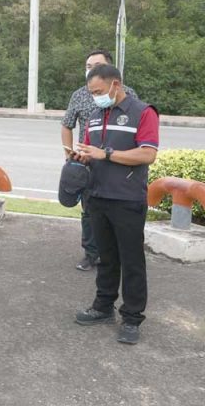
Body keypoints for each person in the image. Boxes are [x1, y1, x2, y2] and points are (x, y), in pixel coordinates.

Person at [73, 64, 159, 345]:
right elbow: (91, 150)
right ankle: (103, 307)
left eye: (99, 91)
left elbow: (147, 154)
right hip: (97, 196)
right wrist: (83, 156)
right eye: (92, 92)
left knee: (132, 261)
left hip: (127, 199)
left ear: (116, 85)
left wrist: (106, 153)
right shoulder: (95, 115)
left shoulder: (143, 112)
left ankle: (132, 318)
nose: (95, 97)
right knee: (106, 258)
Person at [61, 50, 137, 271]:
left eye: (96, 66)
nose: (90, 70)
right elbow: (67, 125)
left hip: (119, 164)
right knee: (89, 212)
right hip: (89, 164)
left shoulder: (127, 94)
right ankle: (91, 253)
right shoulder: (79, 95)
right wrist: (69, 156)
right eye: (88, 66)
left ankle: (118, 255)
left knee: (118, 213)